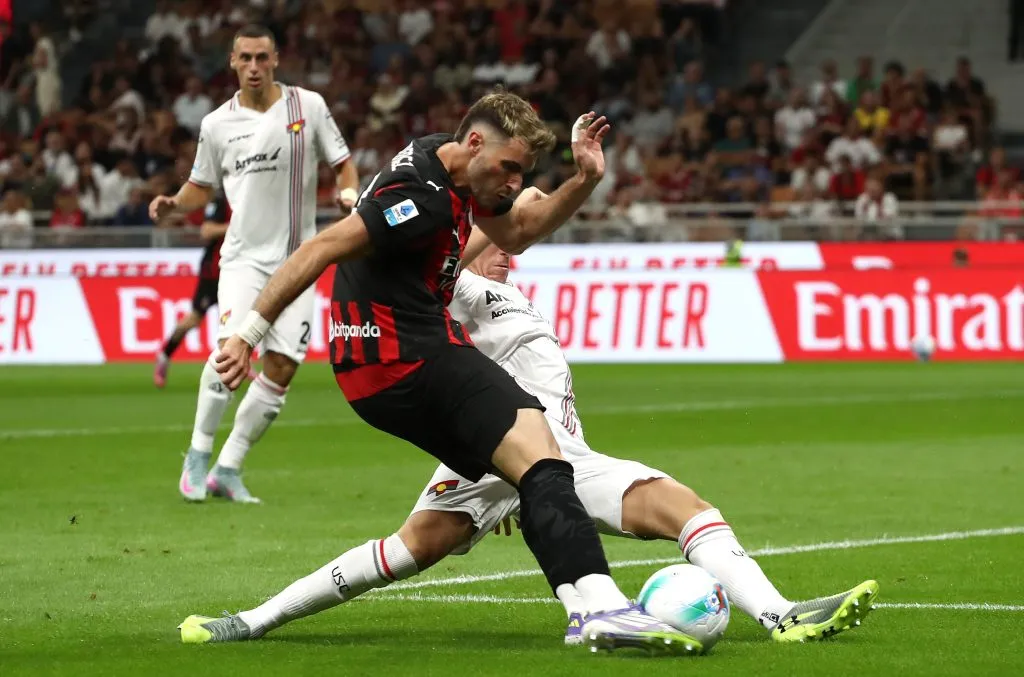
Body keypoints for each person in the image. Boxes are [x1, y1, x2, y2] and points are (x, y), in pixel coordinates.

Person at [180, 93, 703, 655]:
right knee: (541, 456)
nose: (513, 183)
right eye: (509, 167)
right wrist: (247, 334)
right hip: (404, 356)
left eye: (522, 173)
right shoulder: (421, 199)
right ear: (474, 143)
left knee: (471, 510)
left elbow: (515, 231)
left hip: (378, 366)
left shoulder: (447, 163)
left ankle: (253, 620)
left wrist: (584, 179)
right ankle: (600, 610)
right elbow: (322, 247)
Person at [183, 243, 879, 647]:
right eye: (496, 240)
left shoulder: (507, 292)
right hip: (500, 451)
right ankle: (254, 620)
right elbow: (394, 271)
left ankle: (781, 615)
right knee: (408, 549)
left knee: (685, 507)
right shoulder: (452, 289)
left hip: (562, 457)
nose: (510, 252)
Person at [148, 24, 360, 503]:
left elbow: (343, 162)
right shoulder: (216, 125)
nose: (254, 67)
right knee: (231, 355)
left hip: (301, 261)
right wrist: (174, 205)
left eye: (262, 57)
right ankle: (197, 456)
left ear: (276, 59)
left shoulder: (308, 106)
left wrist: (348, 191)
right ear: (232, 62)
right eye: (245, 58)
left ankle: (229, 467)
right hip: (244, 259)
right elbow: (199, 186)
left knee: (282, 366)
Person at [153, 195, 258, 388]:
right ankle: (164, 356)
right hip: (214, 272)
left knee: (242, 318)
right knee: (194, 318)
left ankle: (242, 362)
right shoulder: (221, 202)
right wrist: (235, 227)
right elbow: (207, 231)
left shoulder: (251, 201)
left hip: (239, 270)